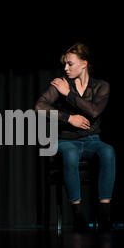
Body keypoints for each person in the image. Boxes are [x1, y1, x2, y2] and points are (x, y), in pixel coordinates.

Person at [35, 42, 115, 231]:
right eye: (65, 64)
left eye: (70, 64)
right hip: (66, 141)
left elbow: (94, 111)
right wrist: (69, 118)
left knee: (108, 152)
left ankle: (104, 213)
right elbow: (39, 107)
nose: (66, 68)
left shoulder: (101, 86)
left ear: (84, 63)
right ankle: (78, 215)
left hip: (92, 141)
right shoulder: (61, 84)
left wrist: (69, 95)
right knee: (70, 155)